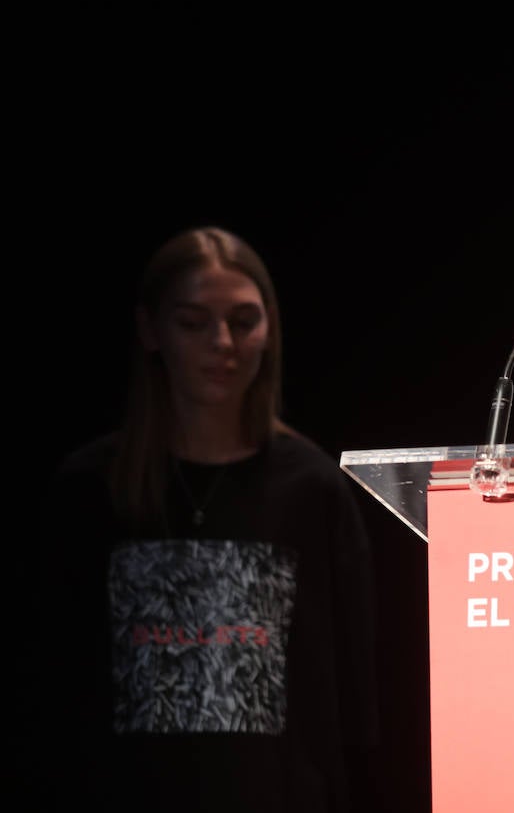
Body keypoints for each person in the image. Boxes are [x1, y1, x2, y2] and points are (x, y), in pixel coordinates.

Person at [47, 226, 380, 812]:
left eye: (244, 320)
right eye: (194, 322)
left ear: (271, 329)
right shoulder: (90, 489)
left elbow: (354, 698)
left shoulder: (313, 489)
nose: (222, 342)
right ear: (151, 330)